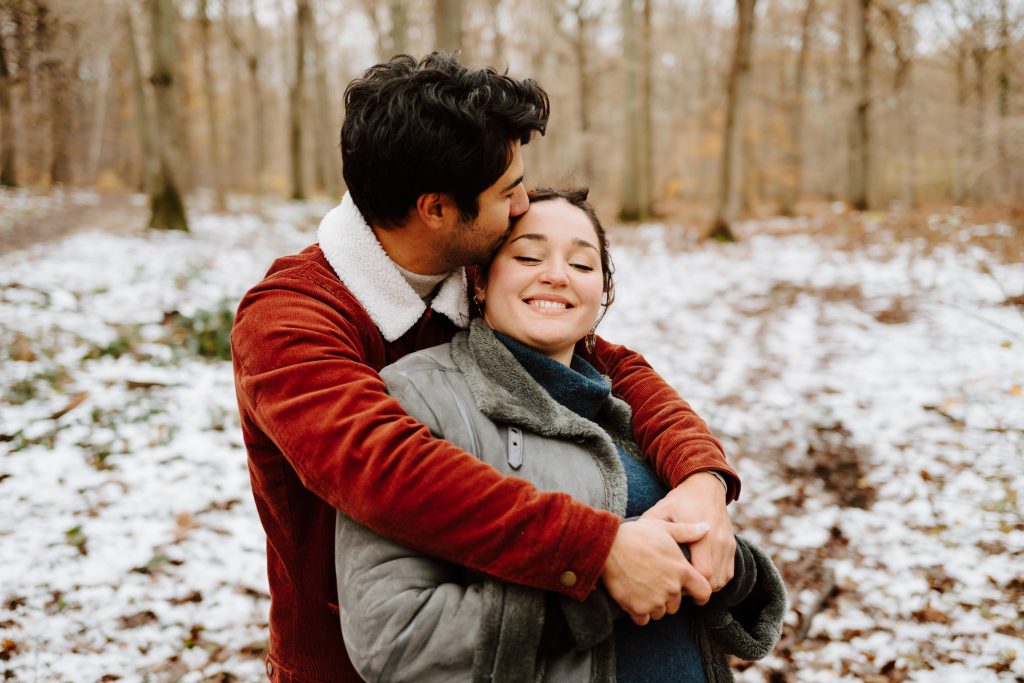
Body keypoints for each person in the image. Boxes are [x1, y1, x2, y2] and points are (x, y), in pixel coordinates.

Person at [231, 52, 741, 683]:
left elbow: (611, 366)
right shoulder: (288, 321)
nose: (524, 202)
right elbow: (387, 469)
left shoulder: (466, 271)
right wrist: (597, 548)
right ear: (435, 208)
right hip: (349, 663)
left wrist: (702, 476)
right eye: (507, 191)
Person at [334, 188, 786, 683]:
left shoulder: (629, 407)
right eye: (528, 255)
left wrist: (722, 562)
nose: (557, 274)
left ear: (602, 294)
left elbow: (687, 571)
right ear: (479, 282)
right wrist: (601, 587)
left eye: (583, 265)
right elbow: (394, 637)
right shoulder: (422, 397)